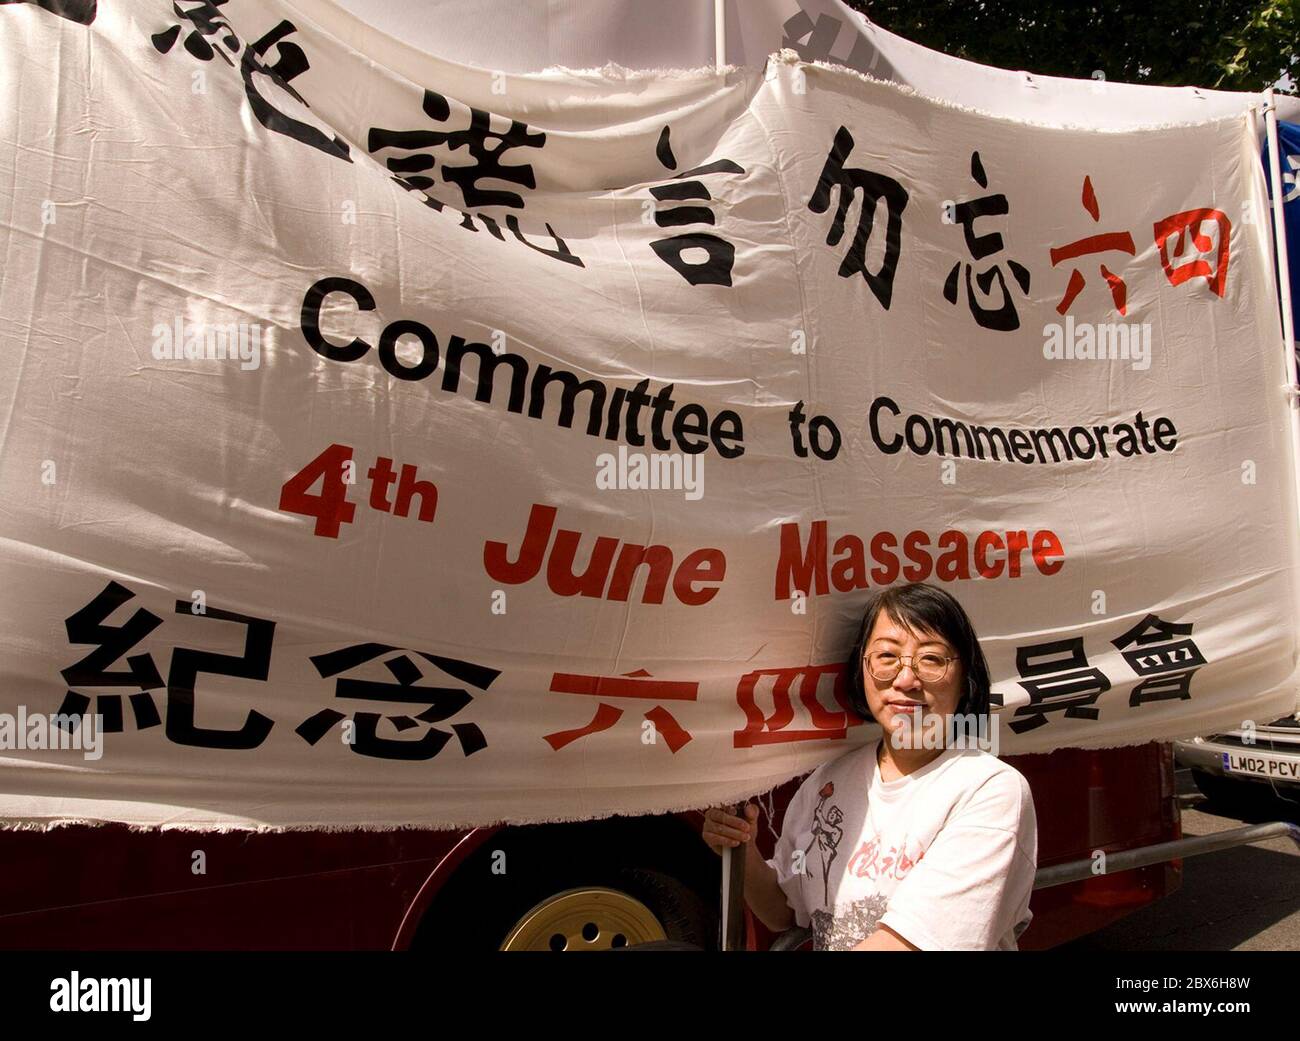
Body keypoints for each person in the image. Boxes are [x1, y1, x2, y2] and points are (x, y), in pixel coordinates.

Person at [702, 582, 1038, 950]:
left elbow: (912, 943)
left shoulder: (990, 788)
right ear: (862, 669)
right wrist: (741, 845)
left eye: (931, 659)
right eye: (887, 658)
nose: (906, 679)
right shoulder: (826, 782)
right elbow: (782, 911)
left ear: (965, 679)